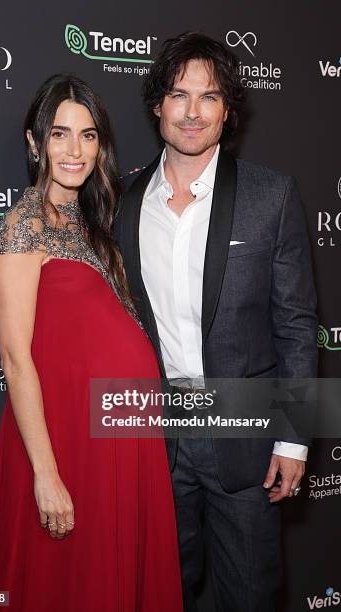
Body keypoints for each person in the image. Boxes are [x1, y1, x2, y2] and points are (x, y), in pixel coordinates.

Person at [0, 74, 183, 612]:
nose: (75, 150)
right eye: (59, 134)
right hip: (70, 443)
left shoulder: (98, 223)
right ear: (35, 142)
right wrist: (46, 475)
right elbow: (15, 358)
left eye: (88, 135)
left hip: (125, 436)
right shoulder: (22, 225)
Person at [114, 32, 318, 612]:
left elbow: (299, 326)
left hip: (247, 439)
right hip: (156, 438)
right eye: (179, 95)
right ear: (158, 105)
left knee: (250, 595)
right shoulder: (125, 200)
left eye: (209, 97)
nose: (193, 112)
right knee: (158, 594)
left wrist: (294, 440)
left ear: (228, 109)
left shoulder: (270, 196)